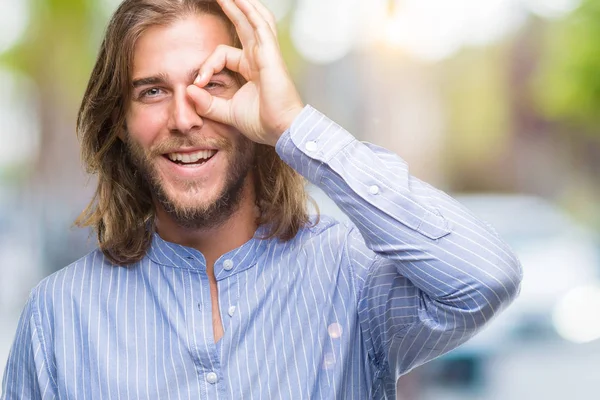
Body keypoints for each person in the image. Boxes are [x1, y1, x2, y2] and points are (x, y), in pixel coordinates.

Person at [1, 0, 522, 398]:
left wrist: (294, 126)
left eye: (214, 82)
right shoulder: (57, 319)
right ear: (120, 121)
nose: (185, 118)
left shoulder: (351, 277)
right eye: (153, 91)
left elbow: (485, 277)